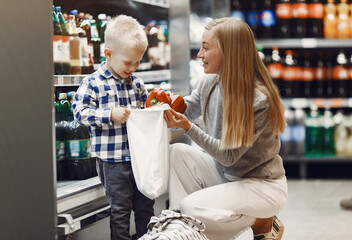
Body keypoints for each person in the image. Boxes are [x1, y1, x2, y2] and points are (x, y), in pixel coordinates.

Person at [164, 17, 288, 240]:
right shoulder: (208, 82)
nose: (199, 55)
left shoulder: (257, 99)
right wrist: (159, 105)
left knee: (191, 208)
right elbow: (187, 108)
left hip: (262, 186)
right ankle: (183, 230)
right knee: (178, 154)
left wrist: (188, 127)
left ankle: (261, 220)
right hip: (227, 176)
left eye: (205, 48)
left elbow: (229, 155)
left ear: (228, 52)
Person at [73, 15, 154, 240]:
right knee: (120, 211)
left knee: (146, 208)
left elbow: (146, 113)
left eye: (137, 62)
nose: (133, 67)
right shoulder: (92, 83)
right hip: (112, 162)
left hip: (139, 160)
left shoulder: (137, 83)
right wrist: (109, 114)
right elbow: (80, 113)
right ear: (108, 54)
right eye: (128, 62)